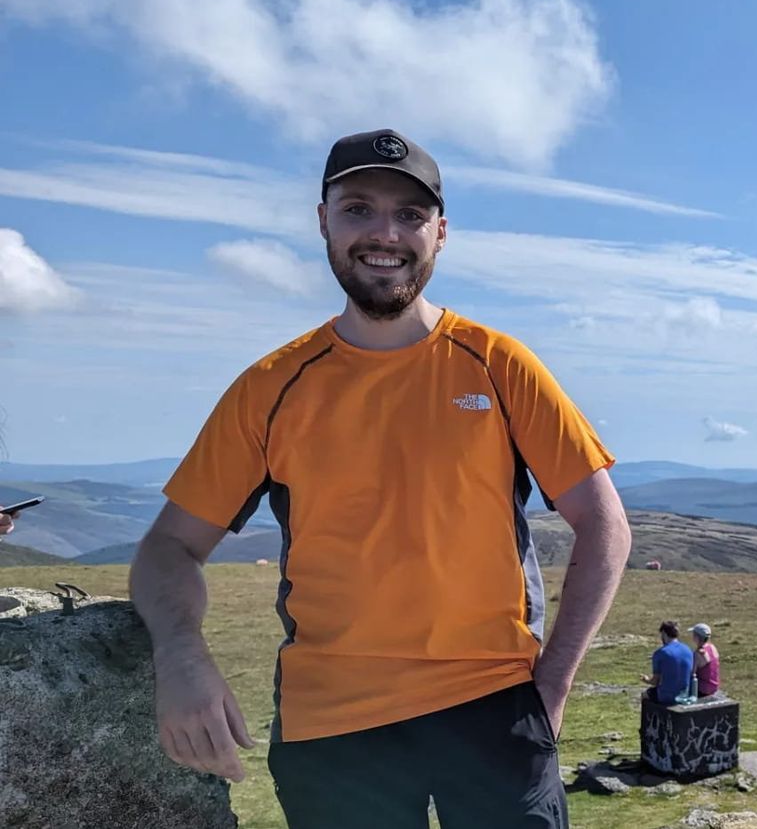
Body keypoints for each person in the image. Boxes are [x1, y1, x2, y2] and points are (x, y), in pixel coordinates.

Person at [128, 128, 632, 829]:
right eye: (359, 208)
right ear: (323, 222)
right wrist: (181, 657)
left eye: (409, 215)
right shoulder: (270, 387)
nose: (384, 233)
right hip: (332, 729)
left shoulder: (498, 364)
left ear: (441, 232)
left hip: (494, 708)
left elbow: (606, 524)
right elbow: (167, 547)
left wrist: (554, 683)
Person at [641, 620, 694, 705]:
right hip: (685, 695)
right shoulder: (688, 650)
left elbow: (655, 682)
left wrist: (646, 680)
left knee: (645, 695)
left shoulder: (660, 653)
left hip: (667, 697)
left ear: (664, 633)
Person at [690, 623, 720, 697]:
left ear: (697, 637)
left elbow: (692, 673)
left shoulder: (698, 654)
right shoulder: (712, 647)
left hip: (703, 689)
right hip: (714, 686)